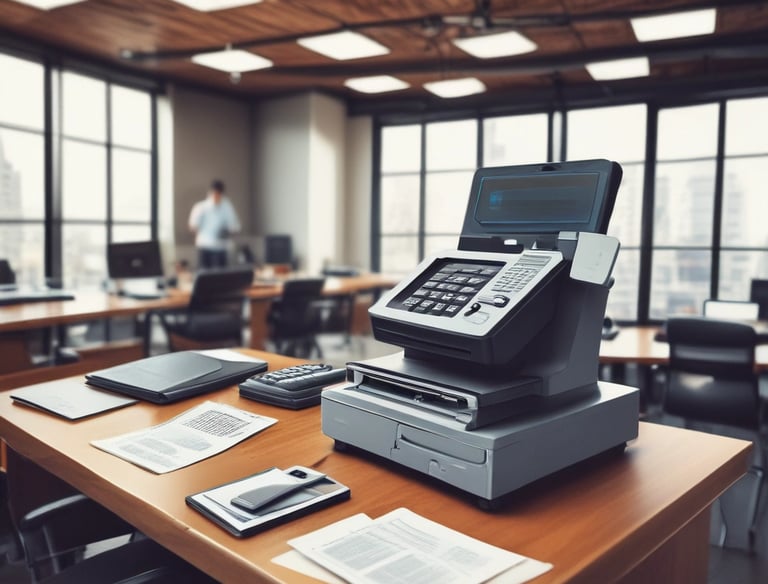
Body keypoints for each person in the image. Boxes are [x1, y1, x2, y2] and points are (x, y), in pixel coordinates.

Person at [188, 179, 241, 269]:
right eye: (214, 193)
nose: (216, 196)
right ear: (210, 193)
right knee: (205, 275)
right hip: (205, 246)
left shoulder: (227, 207)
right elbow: (192, 226)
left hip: (221, 247)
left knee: (220, 276)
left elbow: (234, 226)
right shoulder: (201, 207)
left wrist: (228, 231)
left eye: (219, 194)